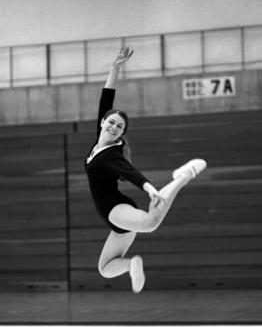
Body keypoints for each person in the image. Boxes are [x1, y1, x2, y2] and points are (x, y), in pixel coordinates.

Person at [84, 47, 207, 293]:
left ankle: (182, 177)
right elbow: (106, 98)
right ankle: (131, 266)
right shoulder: (100, 140)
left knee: (151, 222)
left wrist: (150, 189)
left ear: (121, 133)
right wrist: (115, 67)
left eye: (119, 127)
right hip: (116, 222)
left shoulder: (112, 153)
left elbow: (131, 173)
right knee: (106, 267)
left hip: (115, 208)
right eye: (111, 122)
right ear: (102, 123)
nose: (114, 127)